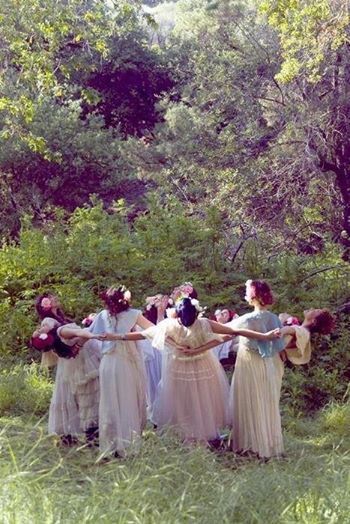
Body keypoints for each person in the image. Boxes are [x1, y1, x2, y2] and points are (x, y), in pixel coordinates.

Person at [103, 296, 280, 445]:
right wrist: (264, 336)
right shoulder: (201, 323)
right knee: (200, 400)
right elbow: (235, 331)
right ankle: (194, 435)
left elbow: (142, 334)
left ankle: (194, 435)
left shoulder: (172, 324)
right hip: (200, 365)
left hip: (183, 366)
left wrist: (118, 336)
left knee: (188, 400)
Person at [89, 285, 155, 457]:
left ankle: (111, 445)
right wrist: (127, 335)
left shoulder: (102, 315)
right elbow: (153, 330)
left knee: (110, 402)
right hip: (124, 362)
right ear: (124, 299)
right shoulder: (134, 314)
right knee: (127, 400)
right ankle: (128, 444)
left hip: (108, 362)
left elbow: (90, 334)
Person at [229, 280, 286, 459]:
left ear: (254, 296)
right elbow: (279, 347)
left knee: (249, 400)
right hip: (267, 364)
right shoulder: (274, 318)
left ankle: (250, 445)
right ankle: (268, 444)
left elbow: (222, 332)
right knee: (265, 401)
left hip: (248, 364)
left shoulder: (246, 320)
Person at [32, 317, 103, 446]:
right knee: (87, 399)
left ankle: (90, 435)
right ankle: (90, 435)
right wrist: (95, 335)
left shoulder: (58, 334)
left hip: (81, 364)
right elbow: (80, 334)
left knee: (86, 399)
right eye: (43, 325)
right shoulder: (60, 330)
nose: (42, 327)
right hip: (83, 366)